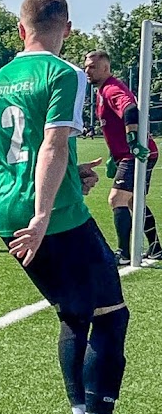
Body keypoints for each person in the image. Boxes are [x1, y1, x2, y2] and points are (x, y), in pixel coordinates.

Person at [0, 0, 149, 414]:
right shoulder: (65, 74)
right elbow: (50, 147)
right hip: (52, 218)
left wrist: (69, 179)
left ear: (20, 29)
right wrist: (43, 213)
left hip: (6, 209)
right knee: (112, 318)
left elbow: (8, 155)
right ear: (67, 29)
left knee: (75, 317)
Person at [84, 50, 160, 263]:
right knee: (134, 201)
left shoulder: (111, 89)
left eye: (92, 67)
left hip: (135, 154)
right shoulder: (102, 91)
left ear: (106, 69)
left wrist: (134, 142)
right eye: (86, 66)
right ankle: (155, 248)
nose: (87, 70)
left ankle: (124, 254)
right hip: (127, 154)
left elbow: (130, 109)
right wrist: (112, 155)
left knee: (117, 199)